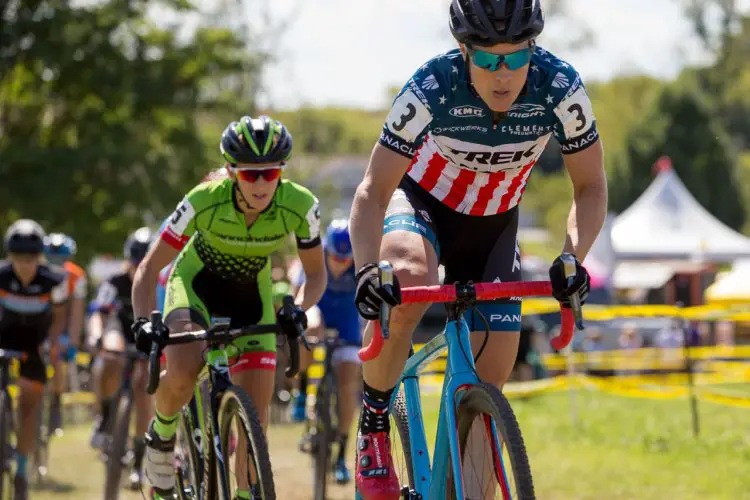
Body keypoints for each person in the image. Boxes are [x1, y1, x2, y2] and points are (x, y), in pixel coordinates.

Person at [348, 1, 607, 497]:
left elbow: (591, 186)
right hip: (423, 205)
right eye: (488, 60)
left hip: (495, 226)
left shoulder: (560, 87)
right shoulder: (431, 85)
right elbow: (372, 190)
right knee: (407, 281)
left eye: (517, 57)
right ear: (464, 50)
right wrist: (366, 270)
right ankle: (375, 425)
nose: (504, 74)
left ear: (534, 48)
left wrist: (572, 255)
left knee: (485, 420)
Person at [130, 115, 327, 499]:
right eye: (250, 174)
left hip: (251, 299)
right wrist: (143, 322)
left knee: (257, 422)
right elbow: (150, 267)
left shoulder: (301, 205)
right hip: (195, 289)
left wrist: (298, 307)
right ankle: (163, 433)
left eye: (269, 174)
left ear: (281, 172)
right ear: (231, 171)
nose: (260, 184)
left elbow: (316, 275)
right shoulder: (203, 200)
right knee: (184, 372)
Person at [0, 220, 69, 500]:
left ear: (38, 256)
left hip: (34, 345)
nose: (25, 264)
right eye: (19, 258)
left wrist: (56, 346)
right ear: (10, 256)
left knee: (29, 401)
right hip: (3, 341)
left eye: (30, 258)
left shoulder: (55, 280)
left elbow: (60, 317)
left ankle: (22, 469)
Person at [292, 218, 361, 484]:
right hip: (316, 306)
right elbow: (299, 291)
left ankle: (341, 453)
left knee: (348, 382)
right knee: (309, 328)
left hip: (346, 319)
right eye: (335, 256)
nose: (340, 263)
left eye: (346, 258)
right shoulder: (315, 255)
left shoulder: (358, 262)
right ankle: (300, 390)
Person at [88, 227, 155, 489]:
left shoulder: (161, 285)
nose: (139, 270)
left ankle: (139, 461)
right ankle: (104, 419)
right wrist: (96, 337)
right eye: (135, 263)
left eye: (145, 264)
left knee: (143, 387)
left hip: (147, 340)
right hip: (120, 333)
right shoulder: (115, 282)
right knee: (110, 355)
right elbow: (99, 314)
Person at [43, 232, 88, 433]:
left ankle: (55, 403)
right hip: (40, 317)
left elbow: (76, 313)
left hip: (63, 320)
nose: (56, 263)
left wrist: (72, 341)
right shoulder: (38, 271)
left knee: (58, 358)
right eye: (52, 258)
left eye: (61, 259)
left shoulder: (77, 276)